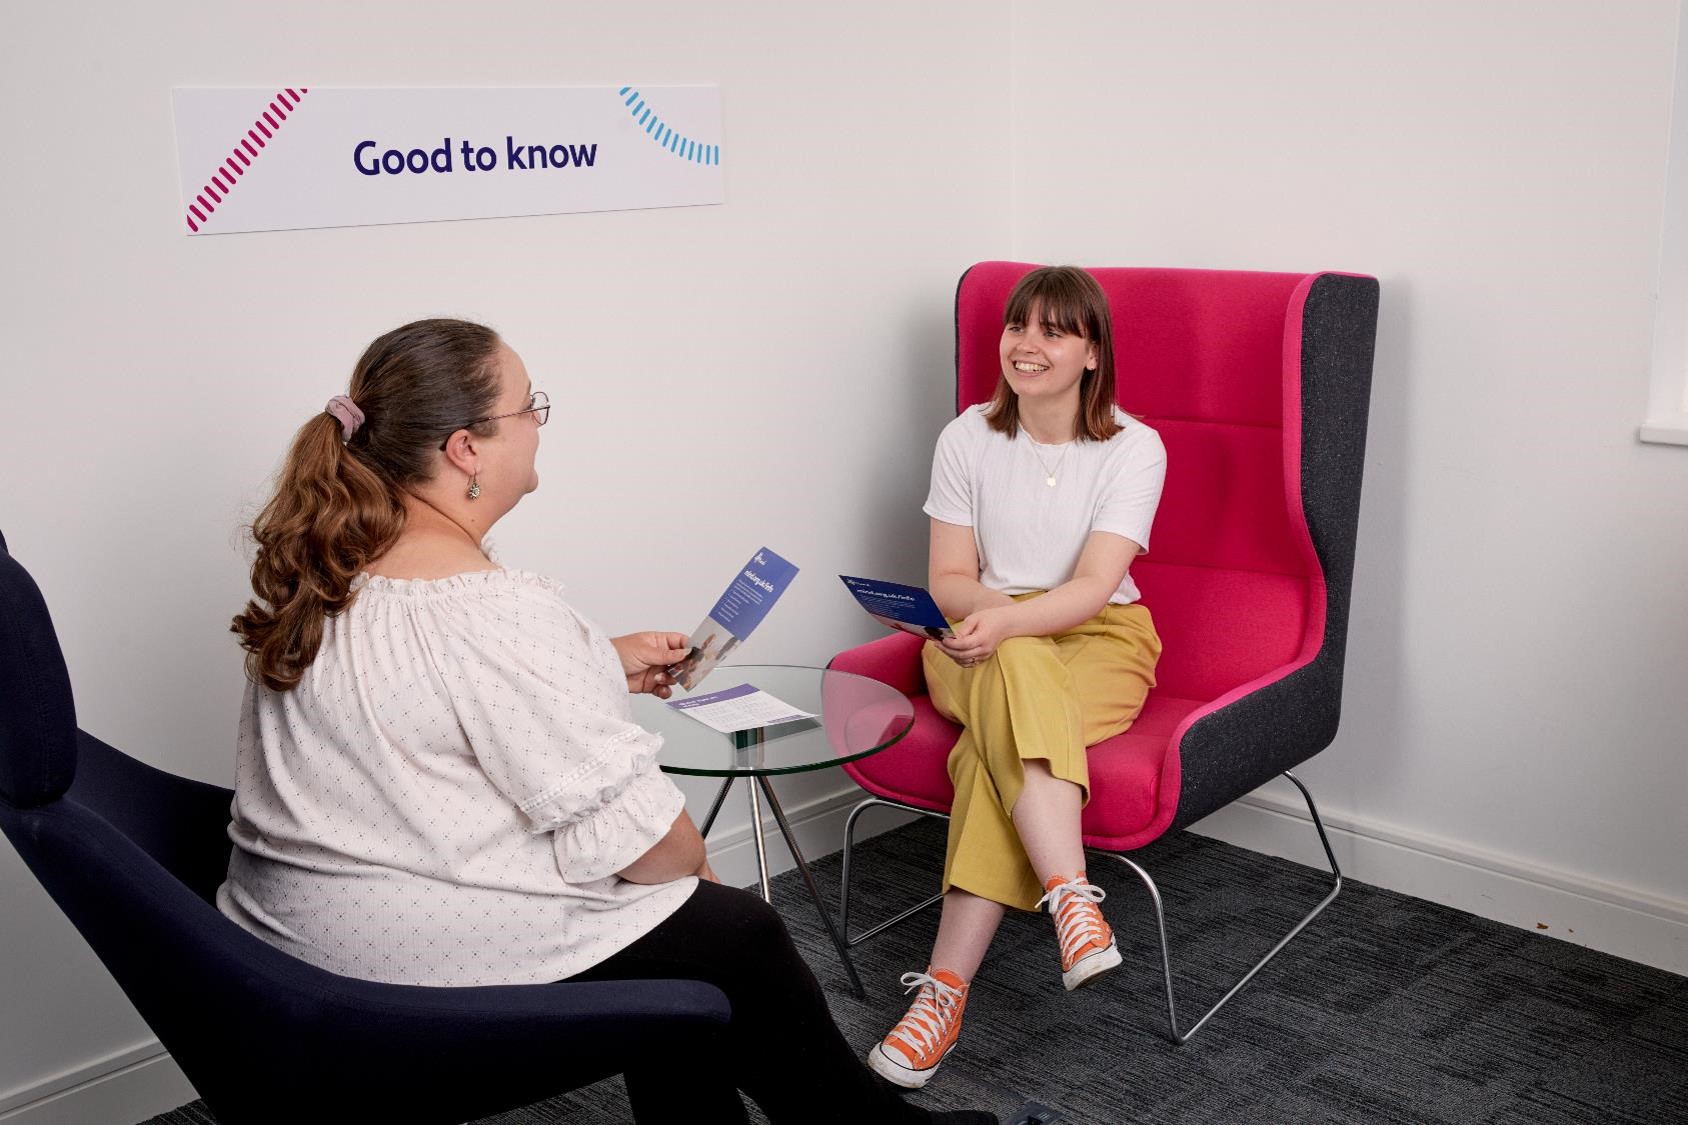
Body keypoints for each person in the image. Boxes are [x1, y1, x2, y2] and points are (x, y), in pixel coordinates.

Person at [222, 318, 994, 1125]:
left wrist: (595, 661)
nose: (538, 424)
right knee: (732, 930)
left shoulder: (330, 565)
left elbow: (433, 705)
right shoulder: (494, 611)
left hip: (289, 946)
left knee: (689, 937)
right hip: (398, 974)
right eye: (529, 407)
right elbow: (658, 849)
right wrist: (694, 873)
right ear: (465, 450)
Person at [867, 268, 1167, 1090]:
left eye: (1054, 331)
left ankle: (944, 997)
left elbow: (1093, 587)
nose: (1027, 346)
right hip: (974, 633)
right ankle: (1071, 893)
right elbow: (951, 573)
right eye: (1017, 327)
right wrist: (992, 618)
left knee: (983, 758)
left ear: (1093, 353)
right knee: (1018, 665)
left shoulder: (1135, 446)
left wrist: (1009, 624)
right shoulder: (966, 436)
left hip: (1103, 636)